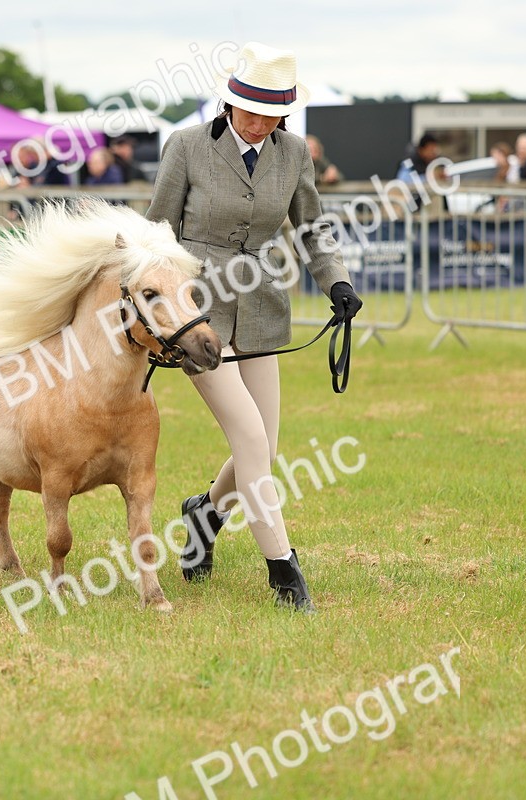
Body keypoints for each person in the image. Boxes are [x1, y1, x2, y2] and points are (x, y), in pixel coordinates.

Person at [146, 42, 363, 613]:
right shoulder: (186, 147)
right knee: (248, 439)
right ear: (229, 100)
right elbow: (157, 233)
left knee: (264, 445)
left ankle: (205, 515)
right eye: (251, 109)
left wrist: (335, 281)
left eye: (272, 112)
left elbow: (312, 229)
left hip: (264, 306)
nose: (260, 121)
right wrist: (158, 308)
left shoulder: (292, 154)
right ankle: (283, 571)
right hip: (198, 315)